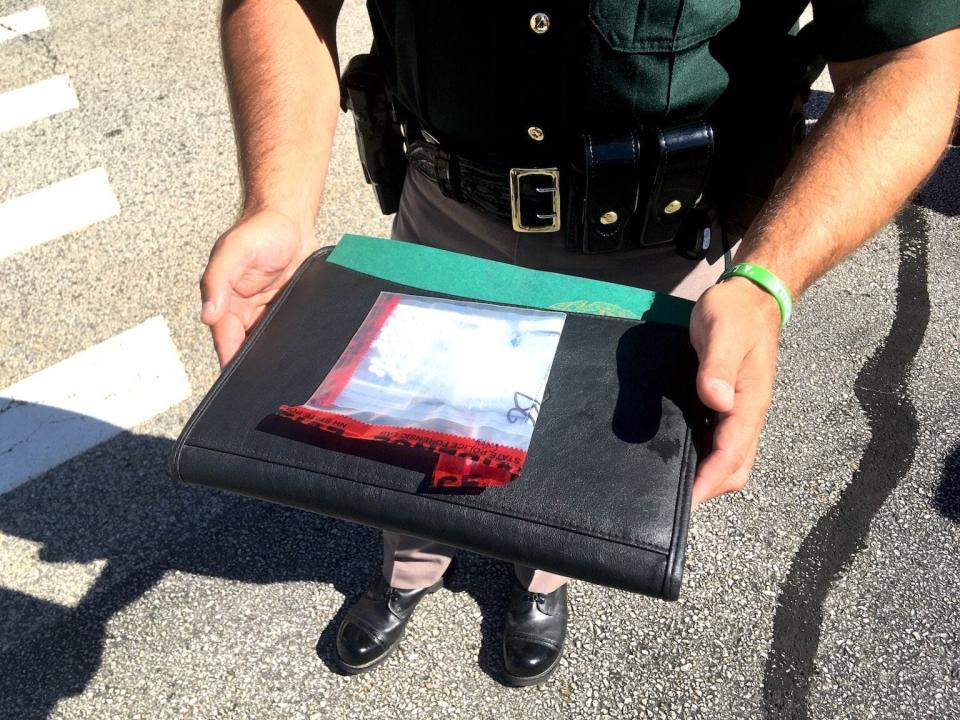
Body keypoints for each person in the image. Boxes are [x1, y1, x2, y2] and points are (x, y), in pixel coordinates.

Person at [200, 0, 960, 686]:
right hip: (447, 211)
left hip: (654, 251)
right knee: (413, 429)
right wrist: (277, 201)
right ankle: (410, 568)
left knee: (571, 460)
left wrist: (769, 282)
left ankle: (542, 577)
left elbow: (914, 57)